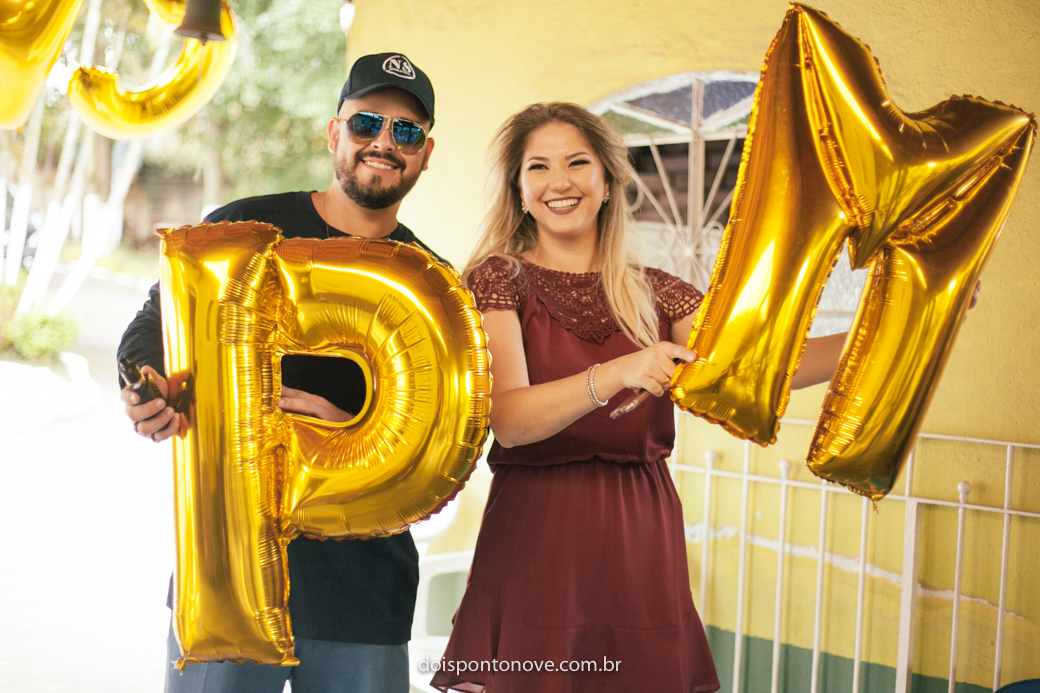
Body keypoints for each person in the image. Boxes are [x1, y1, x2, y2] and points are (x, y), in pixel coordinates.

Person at [429, 102, 851, 693]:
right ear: (519, 190)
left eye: (578, 162)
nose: (560, 182)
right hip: (537, 534)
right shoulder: (497, 280)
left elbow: (763, 371)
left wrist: (891, 326)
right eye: (538, 168)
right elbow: (512, 421)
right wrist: (619, 371)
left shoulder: (660, 293)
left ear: (606, 182)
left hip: (641, 535)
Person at [118, 52, 441, 693]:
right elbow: (154, 324)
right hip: (225, 573)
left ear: (426, 153)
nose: (383, 142)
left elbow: (449, 433)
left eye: (405, 132)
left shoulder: (430, 286)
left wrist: (358, 436)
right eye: (366, 123)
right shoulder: (247, 228)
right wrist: (145, 385)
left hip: (362, 595)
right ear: (334, 132)